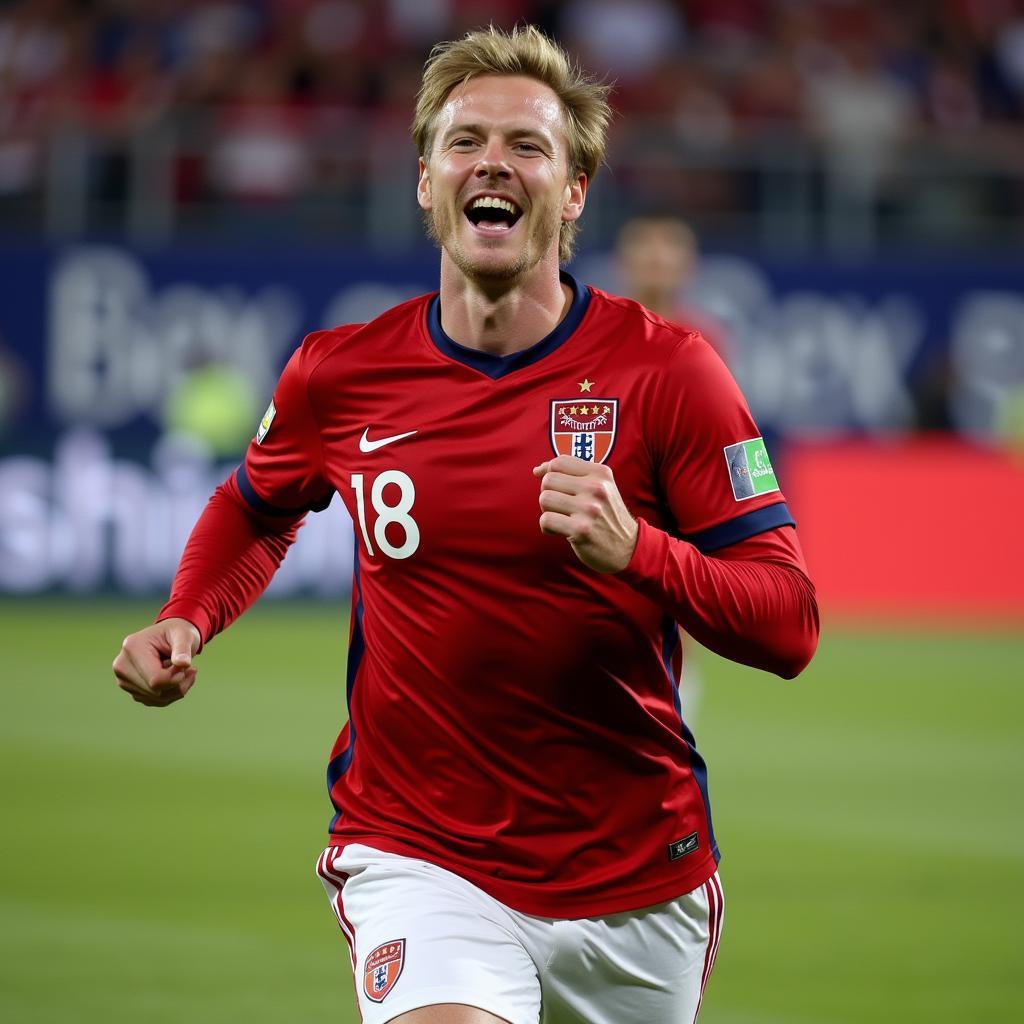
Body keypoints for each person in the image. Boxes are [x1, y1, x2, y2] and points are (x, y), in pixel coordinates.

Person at [112, 25, 819, 1024]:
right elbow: (253, 506)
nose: (493, 161)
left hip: (635, 878)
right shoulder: (338, 373)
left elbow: (788, 623)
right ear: (425, 180)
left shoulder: (671, 375)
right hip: (419, 853)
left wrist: (640, 550)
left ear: (572, 192)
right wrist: (185, 616)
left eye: (528, 146)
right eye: (465, 141)